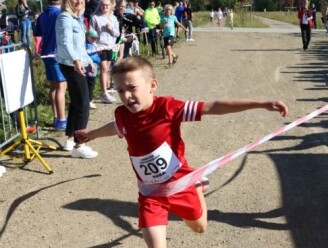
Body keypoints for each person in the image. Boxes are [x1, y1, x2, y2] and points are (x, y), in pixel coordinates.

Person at [74, 56, 288, 247]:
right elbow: (116, 128)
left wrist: (262, 103)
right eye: (120, 90)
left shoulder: (168, 108)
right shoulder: (123, 114)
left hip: (181, 185)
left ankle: (197, 187)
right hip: (151, 194)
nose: (126, 96)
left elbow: (213, 106)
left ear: (152, 85)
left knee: (200, 227)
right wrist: (92, 134)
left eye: (132, 88)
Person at [55, 0, 97, 158]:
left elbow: (79, 45)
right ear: (67, 0)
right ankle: (79, 145)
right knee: (83, 103)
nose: (79, 1)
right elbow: (65, 42)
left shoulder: (77, 18)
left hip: (78, 62)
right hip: (70, 63)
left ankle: (70, 139)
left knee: (76, 102)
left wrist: (87, 60)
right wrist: (76, 60)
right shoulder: (65, 17)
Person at [34, 0, 68, 130]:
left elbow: (37, 33)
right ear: (61, 1)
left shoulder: (42, 15)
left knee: (53, 87)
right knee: (61, 87)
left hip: (46, 53)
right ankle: (61, 120)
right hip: (57, 53)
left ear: (48, 1)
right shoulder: (60, 14)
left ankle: (56, 117)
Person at [91, 0, 120, 104]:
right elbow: (91, 34)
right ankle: (103, 92)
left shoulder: (113, 18)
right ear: (100, 6)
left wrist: (111, 29)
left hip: (110, 46)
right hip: (100, 46)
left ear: (110, 6)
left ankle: (105, 91)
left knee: (107, 69)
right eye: (102, 5)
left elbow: (117, 34)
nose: (104, 7)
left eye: (107, 5)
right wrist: (95, 46)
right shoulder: (95, 18)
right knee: (103, 69)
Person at [85, 29, 101, 109]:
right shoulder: (87, 46)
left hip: (94, 68)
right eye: (92, 38)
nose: (94, 39)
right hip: (89, 69)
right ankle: (88, 101)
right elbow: (91, 56)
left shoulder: (94, 45)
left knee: (91, 85)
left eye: (95, 38)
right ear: (87, 37)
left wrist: (98, 51)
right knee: (90, 85)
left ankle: (89, 100)